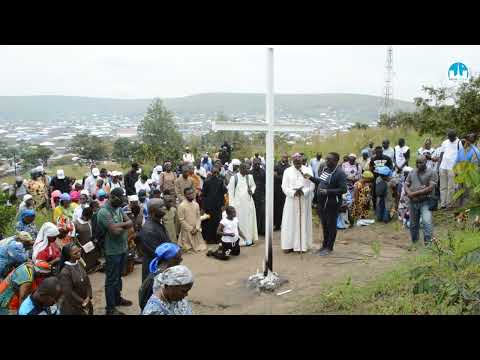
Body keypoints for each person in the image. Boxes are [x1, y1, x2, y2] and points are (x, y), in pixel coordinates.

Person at [96, 187, 133, 315]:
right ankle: (110, 308)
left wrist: (119, 225)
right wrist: (123, 226)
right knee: (111, 279)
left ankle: (117, 299)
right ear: (112, 197)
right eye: (120, 198)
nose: (123, 201)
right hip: (112, 251)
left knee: (118, 277)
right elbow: (115, 231)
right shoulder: (104, 212)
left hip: (122, 248)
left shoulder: (118, 208)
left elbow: (130, 222)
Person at [307, 152, 347, 256]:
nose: (326, 161)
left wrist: (328, 192)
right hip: (322, 203)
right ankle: (324, 245)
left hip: (332, 204)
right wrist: (310, 177)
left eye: (329, 159)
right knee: (324, 225)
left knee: (331, 225)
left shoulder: (340, 173)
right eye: (326, 159)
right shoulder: (325, 170)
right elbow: (321, 182)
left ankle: (329, 247)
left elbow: (343, 189)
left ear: (335, 161)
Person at [281, 153, 315, 253]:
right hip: (291, 200)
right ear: (292, 161)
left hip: (303, 200)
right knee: (289, 221)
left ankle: (301, 246)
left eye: (299, 162)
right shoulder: (287, 171)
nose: (297, 164)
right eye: (295, 162)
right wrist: (293, 192)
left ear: (302, 161)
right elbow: (284, 186)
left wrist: (304, 192)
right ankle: (288, 245)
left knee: (302, 221)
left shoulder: (308, 170)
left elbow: (312, 185)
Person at [404, 156, 438, 249]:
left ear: (426, 162)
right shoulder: (412, 172)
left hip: (425, 202)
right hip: (413, 202)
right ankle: (415, 243)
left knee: (427, 223)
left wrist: (413, 193)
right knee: (413, 224)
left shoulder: (432, 172)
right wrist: (409, 192)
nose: (418, 164)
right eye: (417, 162)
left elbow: (430, 188)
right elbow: (406, 184)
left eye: (421, 162)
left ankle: (429, 245)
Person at [138, 242, 183, 312]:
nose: (181, 260)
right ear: (170, 259)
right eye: (179, 259)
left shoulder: (165, 272)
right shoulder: (155, 279)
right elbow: (144, 302)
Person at [137, 199, 171, 282]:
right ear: (153, 211)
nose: (164, 208)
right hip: (153, 267)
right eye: (161, 207)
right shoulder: (149, 230)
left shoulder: (157, 223)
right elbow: (157, 252)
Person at [57, 243, 93, 315]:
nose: (79, 253)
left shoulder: (79, 263)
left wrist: (89, 296)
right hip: (73, 306)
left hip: (86, 300)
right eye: (75, 253)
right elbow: (69, 292)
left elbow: (87, 281)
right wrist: (82, 301)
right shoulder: (65, 272)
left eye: (79, 251)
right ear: (69, 255)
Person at [227, 163, 257, 246]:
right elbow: (230, 192)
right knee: (239, 222)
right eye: (244, 169)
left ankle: (249, 239)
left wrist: (252, 190)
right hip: (238, 205)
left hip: (248, 203)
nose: (246, 170)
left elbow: (253, 186)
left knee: (249, 222)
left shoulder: (249, 177)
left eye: (247, 168)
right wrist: (231, 205)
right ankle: (240, 241)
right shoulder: (234, 178)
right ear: (240, 169)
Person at [200, 167, 226, 244]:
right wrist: (203, 207)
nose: (215, 174)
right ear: (211, 173)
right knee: (209, 223)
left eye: (217, 173)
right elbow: (203, 195)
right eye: (214, 173)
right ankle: (210, 239)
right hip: (210, 206)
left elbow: (223, 193)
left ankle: (216, 239)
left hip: (217, 206)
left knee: (217, 222)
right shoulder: (207, 181)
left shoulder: (220, 181)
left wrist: (223, 205)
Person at [178, 188, 207, 252]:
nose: (191, 195)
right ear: (185, 195)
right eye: (189, 194)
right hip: (187, 230)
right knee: (187, 248)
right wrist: (191, 229)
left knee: (201, 247)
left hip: (196, 229)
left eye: (192, 193)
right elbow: (181, 220)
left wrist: (197, 228)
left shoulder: (196, 204)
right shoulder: (181, 206)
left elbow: (198, 217)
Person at [74, 206, 101, 273]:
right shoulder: (76, 223)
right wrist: (79, 246)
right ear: (83, 215)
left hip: (91, 244)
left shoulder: (89, 221)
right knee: (84, 261)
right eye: (87, 217)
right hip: (82, 246)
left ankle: (91, 267)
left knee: (91, 258)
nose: (88, 219)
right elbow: (74, 237)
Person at [438, 129, 460, 209]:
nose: (450, 139)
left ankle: (449, 204)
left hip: (453, 168)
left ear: (455, 136)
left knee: (451, 187)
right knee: (442, 187)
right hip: (443, 166)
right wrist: (439, 166)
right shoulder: (445, 142)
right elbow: (441, 154)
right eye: (449, 137)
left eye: (451, 138)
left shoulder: (459, 142)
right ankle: (443, 204)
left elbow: (461, 156)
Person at [274, 154, 290, 231]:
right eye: (284, 157)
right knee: (277, 208)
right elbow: (274, 176)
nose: (285, 158)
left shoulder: (289, 167)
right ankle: (277, 225)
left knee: (285, 208)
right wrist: (283, 177)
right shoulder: (276, 166)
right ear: (281, 157)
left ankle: (284, 225)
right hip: (277, 190)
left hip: (286, 191)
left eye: (286, 157)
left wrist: (280, 177)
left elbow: (289, 178)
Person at [251, 158, 266, 236]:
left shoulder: (263, 172)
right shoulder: (250, 173)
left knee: (263, 212)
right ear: (253, 164)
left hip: (262, 194)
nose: (257, 165)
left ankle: (263, 230)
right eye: (255, 164)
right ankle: (256, 230)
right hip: (253, 195)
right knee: (255, 212)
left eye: (258, 164)